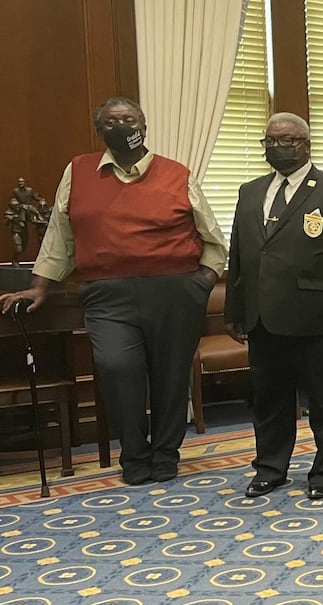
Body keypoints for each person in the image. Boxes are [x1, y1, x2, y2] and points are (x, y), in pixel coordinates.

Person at [0, 96, 226, 484]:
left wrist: (201, 282)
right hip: (107, 294)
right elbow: (60, 235)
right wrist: (40, 287)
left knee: (171, 375)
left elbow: (213, 238)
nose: (122, 125)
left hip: (175, 292)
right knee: (117, 368)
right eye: (112, 120)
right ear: (100, 129)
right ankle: (134, 455)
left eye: (130, 118)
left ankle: (165, 454)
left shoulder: (176, 173)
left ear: (144, 125)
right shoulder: (79, 171)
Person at [223, 113, 323, 500]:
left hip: (316, 318)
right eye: (270, 141)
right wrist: (235, 308)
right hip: (262, 317)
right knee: (268, 400)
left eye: (287, 140)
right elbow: (241, 255)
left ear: (306, 144)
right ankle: (270, 468)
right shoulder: (250, 191)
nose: (277, 148)